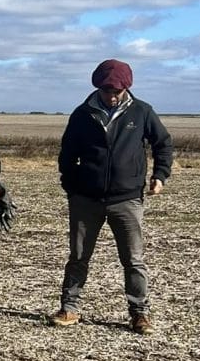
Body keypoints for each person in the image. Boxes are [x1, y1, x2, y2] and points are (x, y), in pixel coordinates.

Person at [48, 59, 173, 334]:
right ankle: (69, 307)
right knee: (78, 256)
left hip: (127, 199)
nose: (112, 95)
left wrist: (160, 175)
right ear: (98, 87)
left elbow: (163, 144)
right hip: (85, 199)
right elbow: (67, 153)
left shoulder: (142, 112)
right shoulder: (82, 114)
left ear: (127, 87)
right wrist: (71, 185)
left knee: (133, 259)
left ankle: (139, 313)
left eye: (117, 90)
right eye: (107, 90)